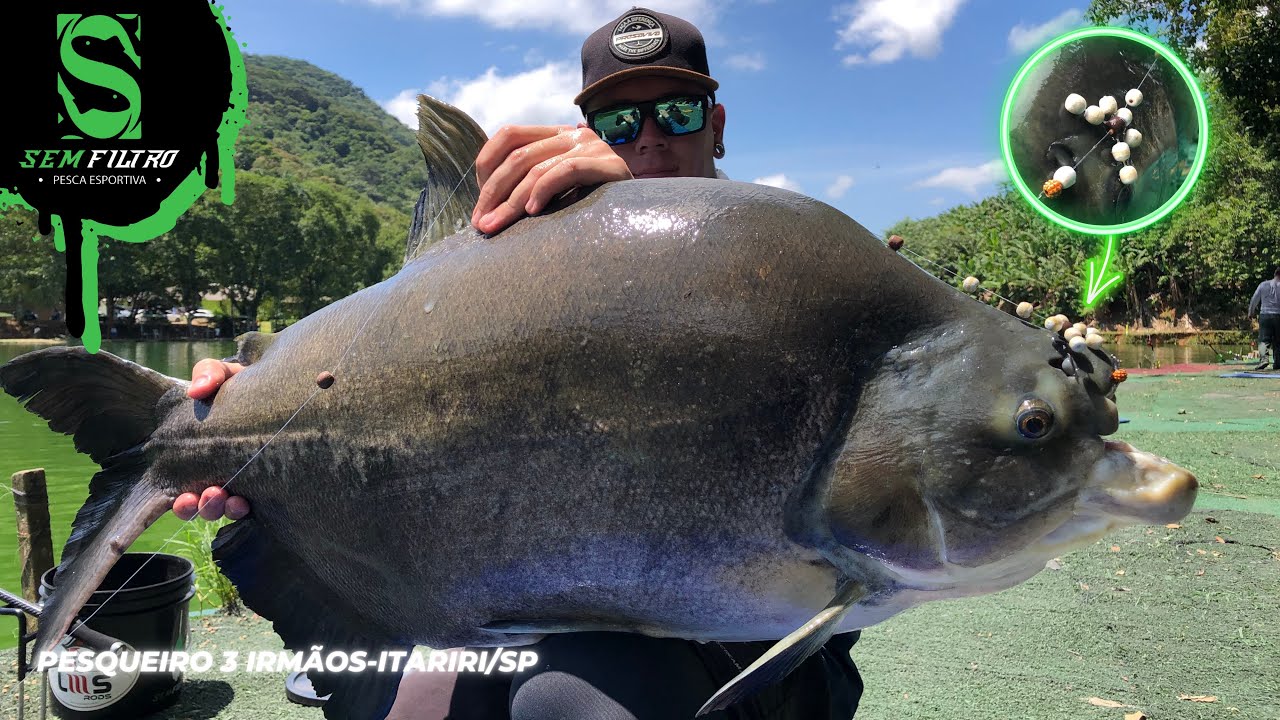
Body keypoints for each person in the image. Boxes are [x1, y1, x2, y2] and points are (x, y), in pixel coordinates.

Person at [175, 8, 864, 719]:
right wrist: (242, 394)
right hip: (516, 602)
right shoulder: (537, 252)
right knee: (415, 699)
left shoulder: (802, 263)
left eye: (676, 112)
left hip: (758, 652)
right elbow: (390, 362)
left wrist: (633, 208)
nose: (648, 137)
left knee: (571, 690)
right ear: (590, 133)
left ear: (716, 124)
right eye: (619, 123)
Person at [1248, 267, 1280, 371]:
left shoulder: (1263, 285)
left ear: (1275, 274)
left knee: (1263, 340)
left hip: (1265, 314)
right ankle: (1278, 362)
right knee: (1278, 341)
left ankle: (1264, 359)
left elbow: (1254, 299)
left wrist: (1251, 312)